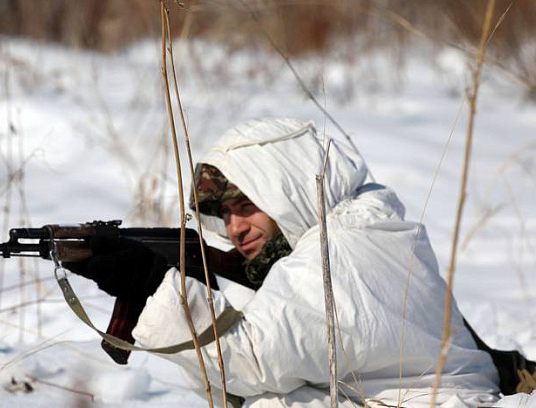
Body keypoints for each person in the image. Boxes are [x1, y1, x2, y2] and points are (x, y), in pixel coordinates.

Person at [66, 117, 500, 408]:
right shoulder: (370, 229)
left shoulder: (342, 251)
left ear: (289, 187)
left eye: (246, 204)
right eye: (224, 213)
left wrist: (149, 281)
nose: (235, 227)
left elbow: (253, 358)